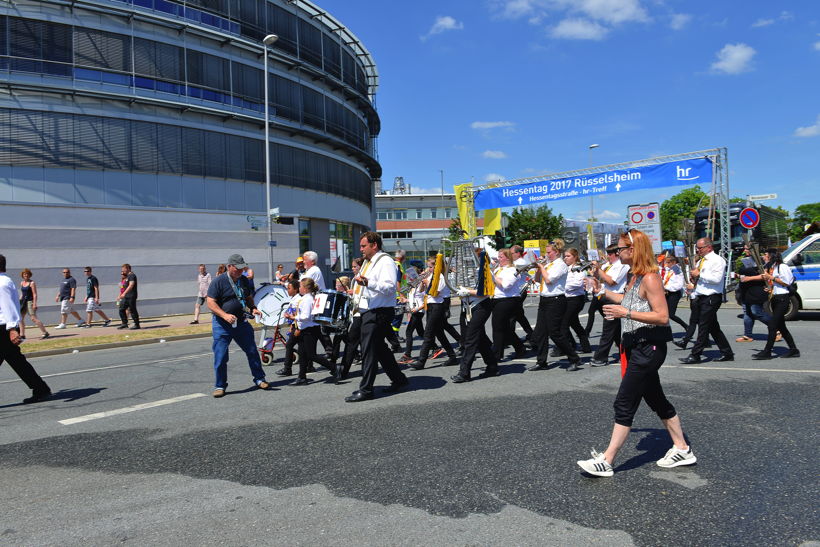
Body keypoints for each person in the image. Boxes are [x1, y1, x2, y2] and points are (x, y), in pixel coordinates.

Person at [577, 229, 695, 477]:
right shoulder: (634, 276)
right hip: (636, 345)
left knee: (624, 401)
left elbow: (662, 317)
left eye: (619, 249)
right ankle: (682, 448)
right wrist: (601, 292)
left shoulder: (650, 278)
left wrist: (625, 314)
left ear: (633, 249)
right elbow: (627, 300)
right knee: (656, 399)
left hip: (648, 346)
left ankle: (607, 460)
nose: (616, 253)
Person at [345, 232, 408, 402]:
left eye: (364, 246)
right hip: (370, 310)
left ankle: (366, 390)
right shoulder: (368, 262)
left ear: (374, 245)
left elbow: (389, 288)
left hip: (378, 311)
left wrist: (367, 283)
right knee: (380, 350)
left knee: (369, 351)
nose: (361, 249)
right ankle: (399, 379)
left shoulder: (385, 261)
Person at [206, 253, 270, 397]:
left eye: (243, 268)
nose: (241, 271)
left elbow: (247, 297)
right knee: (221, 356)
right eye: (238, 268)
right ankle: (220, 386)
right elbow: (211, 302)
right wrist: (224, 315)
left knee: (252, 351)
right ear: (229, 267)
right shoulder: (218, 281)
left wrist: (253, 308)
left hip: (241, 323)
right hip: (222, 324)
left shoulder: (244, 280)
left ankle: (260, 379)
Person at [0, 255, 52, 404]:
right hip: (5, 328)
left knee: (17, 361)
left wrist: (12, 329)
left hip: (4, 329)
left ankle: (41, 389)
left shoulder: (2, 283)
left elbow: (7, 307)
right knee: (17, 361)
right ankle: (41, 389)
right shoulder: (4, 281)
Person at [679, 238, 734, 363]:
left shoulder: (717, 260)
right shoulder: (702, 261)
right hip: (701, 295)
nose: (698, 250)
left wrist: (699, 275)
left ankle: (696, 354)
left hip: (711, 297)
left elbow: (716, 279)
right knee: (713, 327)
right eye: (697, 248)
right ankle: (727, 352)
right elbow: (698, 278)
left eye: (700, 248)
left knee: (703, 326)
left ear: (709, 247)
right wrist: (692, 285)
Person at [530, 240, 582, 371]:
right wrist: (538, 268)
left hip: (556, 300)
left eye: (549, 252)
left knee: (554, 332)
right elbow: (537, 280)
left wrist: (541, 267)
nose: (546, 255)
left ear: (556, 252)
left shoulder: (560, 265)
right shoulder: (549, 264)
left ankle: (574, 358)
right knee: (541, 332)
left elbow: (549, 280)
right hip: (544, 299)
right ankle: (541, 362)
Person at [450, 250, 499, 383]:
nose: (465, 260)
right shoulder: (464, 272)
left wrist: (467, 291)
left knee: (470, 339)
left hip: (481, 305)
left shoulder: (485, 270)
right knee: (479, 338)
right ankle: (492, 366)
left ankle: (464, 372)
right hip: (467, 306)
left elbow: (486, 291)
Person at [407, 256, 459, 370]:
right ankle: (452, 356)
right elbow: (421, 291)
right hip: (430, 306)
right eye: (428, 267)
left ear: (437, 266)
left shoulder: (440, 277)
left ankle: (421, 361)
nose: (428, 269)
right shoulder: (430, 276)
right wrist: (421, 282)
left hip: (437, 306)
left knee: (428, 334)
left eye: (430, 267)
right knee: (439, 333)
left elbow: (435, 293)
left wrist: (427, 282)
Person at [290, 277, 338, 385]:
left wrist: (294, 317)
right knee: (302, 354)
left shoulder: (307, 299)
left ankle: (334, 368)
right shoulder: (306, 298)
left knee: (311, 355)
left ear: (306, 288)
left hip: (310, 330)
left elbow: (306, 316)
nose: (299, 288)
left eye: (301, 286)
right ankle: (302, 377)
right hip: (304, 329)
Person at [755, 250, 800, 359]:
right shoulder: (773, 267)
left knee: (772, 325)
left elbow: (787, 282)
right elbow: (777, 283)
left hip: (783, 299)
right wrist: (770, 288)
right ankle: (793, 350)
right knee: (781, 327)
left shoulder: (782, 267)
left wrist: (771, 278)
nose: (764, 256)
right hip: (776, 298)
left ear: (772, 256)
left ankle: (767, 351)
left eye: (765, 255)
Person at [589, 245, 629, 366]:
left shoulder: (623, 266)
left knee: (608, 329)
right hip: (603, 296)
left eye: (610, 254)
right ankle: (626, 352)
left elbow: (612, 282)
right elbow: (599, 279)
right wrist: (595, 271)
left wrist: (599, 269)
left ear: (617, 254)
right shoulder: (607, 265)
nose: (607, 256)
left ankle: (601, 357)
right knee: (615, 330)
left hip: (615, 298)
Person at [490, 248, 527, 362]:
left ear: (507, 258)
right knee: (505, 328)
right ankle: (520, 348)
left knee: (497, 327)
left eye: (501, 257)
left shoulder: (512, 270)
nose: (498, 259)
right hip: (497, 299)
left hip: (508, 300)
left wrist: (493, 276)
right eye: (498, 257)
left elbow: (505, 285)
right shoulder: (499, 269)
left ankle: (497, 355)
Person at [735, 246, 772, 342]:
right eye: (745, 248)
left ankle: (776, 327)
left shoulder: (761, 261)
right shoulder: (745, 261)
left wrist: (749, 278)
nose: (745, 251)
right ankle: (748, 335)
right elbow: (745, 275)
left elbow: (765, 276)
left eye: (747, 249)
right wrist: (738, 276)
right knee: (747, 313)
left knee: (756, 312)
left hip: (756, 291)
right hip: (746, 290)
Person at [561, 248, 592, 354]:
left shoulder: (580, 268)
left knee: (564, 324)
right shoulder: (566, 268)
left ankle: (567, 347)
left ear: (575, 257)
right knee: (575, 323)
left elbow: (577, 283)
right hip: (567, 298)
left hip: (575, 299)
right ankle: (585, 346)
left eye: (568, 256)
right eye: (565, 256)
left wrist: (562, 286)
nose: (565, 258)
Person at [339, 257, 364, 379]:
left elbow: (363, 294)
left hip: (361, 314)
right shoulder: (354, 279)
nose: (353, 269)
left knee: (351, 342)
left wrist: (353, 293)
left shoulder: (362, 277)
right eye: (353, 267)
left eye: (355, 266)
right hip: (355, 313)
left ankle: (343, 370)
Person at [275, 278, 302, 377]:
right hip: (295, 326)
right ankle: (309, 366)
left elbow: (296, 314)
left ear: (295, 289)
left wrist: (294, 325)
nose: (287, 290)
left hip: (298, 327)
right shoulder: (294, 299)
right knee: (303, 348)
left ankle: (287, 369)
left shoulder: (297, 300)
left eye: (289, 288)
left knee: (289, 345)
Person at [510, 245, 534, 344]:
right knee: (519, 315)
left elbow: (513, 274)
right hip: (516, 291)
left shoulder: (521, 262)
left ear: (518, 253)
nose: (510, 255)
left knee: (511, 316)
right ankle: (532, 335)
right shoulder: (515, 262)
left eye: (511, 253)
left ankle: (509, 337)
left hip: (519, 291)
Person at [398, 281, 425, 365]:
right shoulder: (412, 287)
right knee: (421, 332)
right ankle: (435, 347)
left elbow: (425, 299)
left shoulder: (421, 285)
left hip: (418, 311)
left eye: (411, 277)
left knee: (408, 332)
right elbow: (414, 299)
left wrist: (417, 309)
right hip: (415, 311)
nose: (409, 279)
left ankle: (407, 355)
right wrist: (405, 300)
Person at [18, 269, 49, 339]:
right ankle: (22, 335)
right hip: (23, 302)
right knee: (20, 318)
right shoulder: (22, 283)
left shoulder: (32, 283)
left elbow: (34, 294)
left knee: (33, 318)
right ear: (22, 275)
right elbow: (22, 294)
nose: (26, 275)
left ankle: (45, 332)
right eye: (24, 274)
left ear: (29, 275)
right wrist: (19, 301)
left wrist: (34, 303)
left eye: (27, 274)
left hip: (30, 301)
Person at [661, 256, 689, 331]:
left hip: (674, 294)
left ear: (673, 262)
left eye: (668, 262)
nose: (666, 264)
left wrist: (666, 288)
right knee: (663, 313)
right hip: (667, 293)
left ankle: (686, 326)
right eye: (665, 262)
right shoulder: (669, 270)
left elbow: (678, 286)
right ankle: (665, 331)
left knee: (671, 314)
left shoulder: (678, 271)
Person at [116, 264, 140, 330]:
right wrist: (120, 295)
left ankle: (137, 324)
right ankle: (124, 324)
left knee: (132, 310)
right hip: (126, 296)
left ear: (128, 269)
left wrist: (124, 293)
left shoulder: (132, 275)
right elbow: (122, 288)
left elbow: (131, 285)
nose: (122, 272)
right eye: (122, 271)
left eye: (123, 270)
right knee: (121, 309)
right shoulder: (125, 279)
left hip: (131, 295)